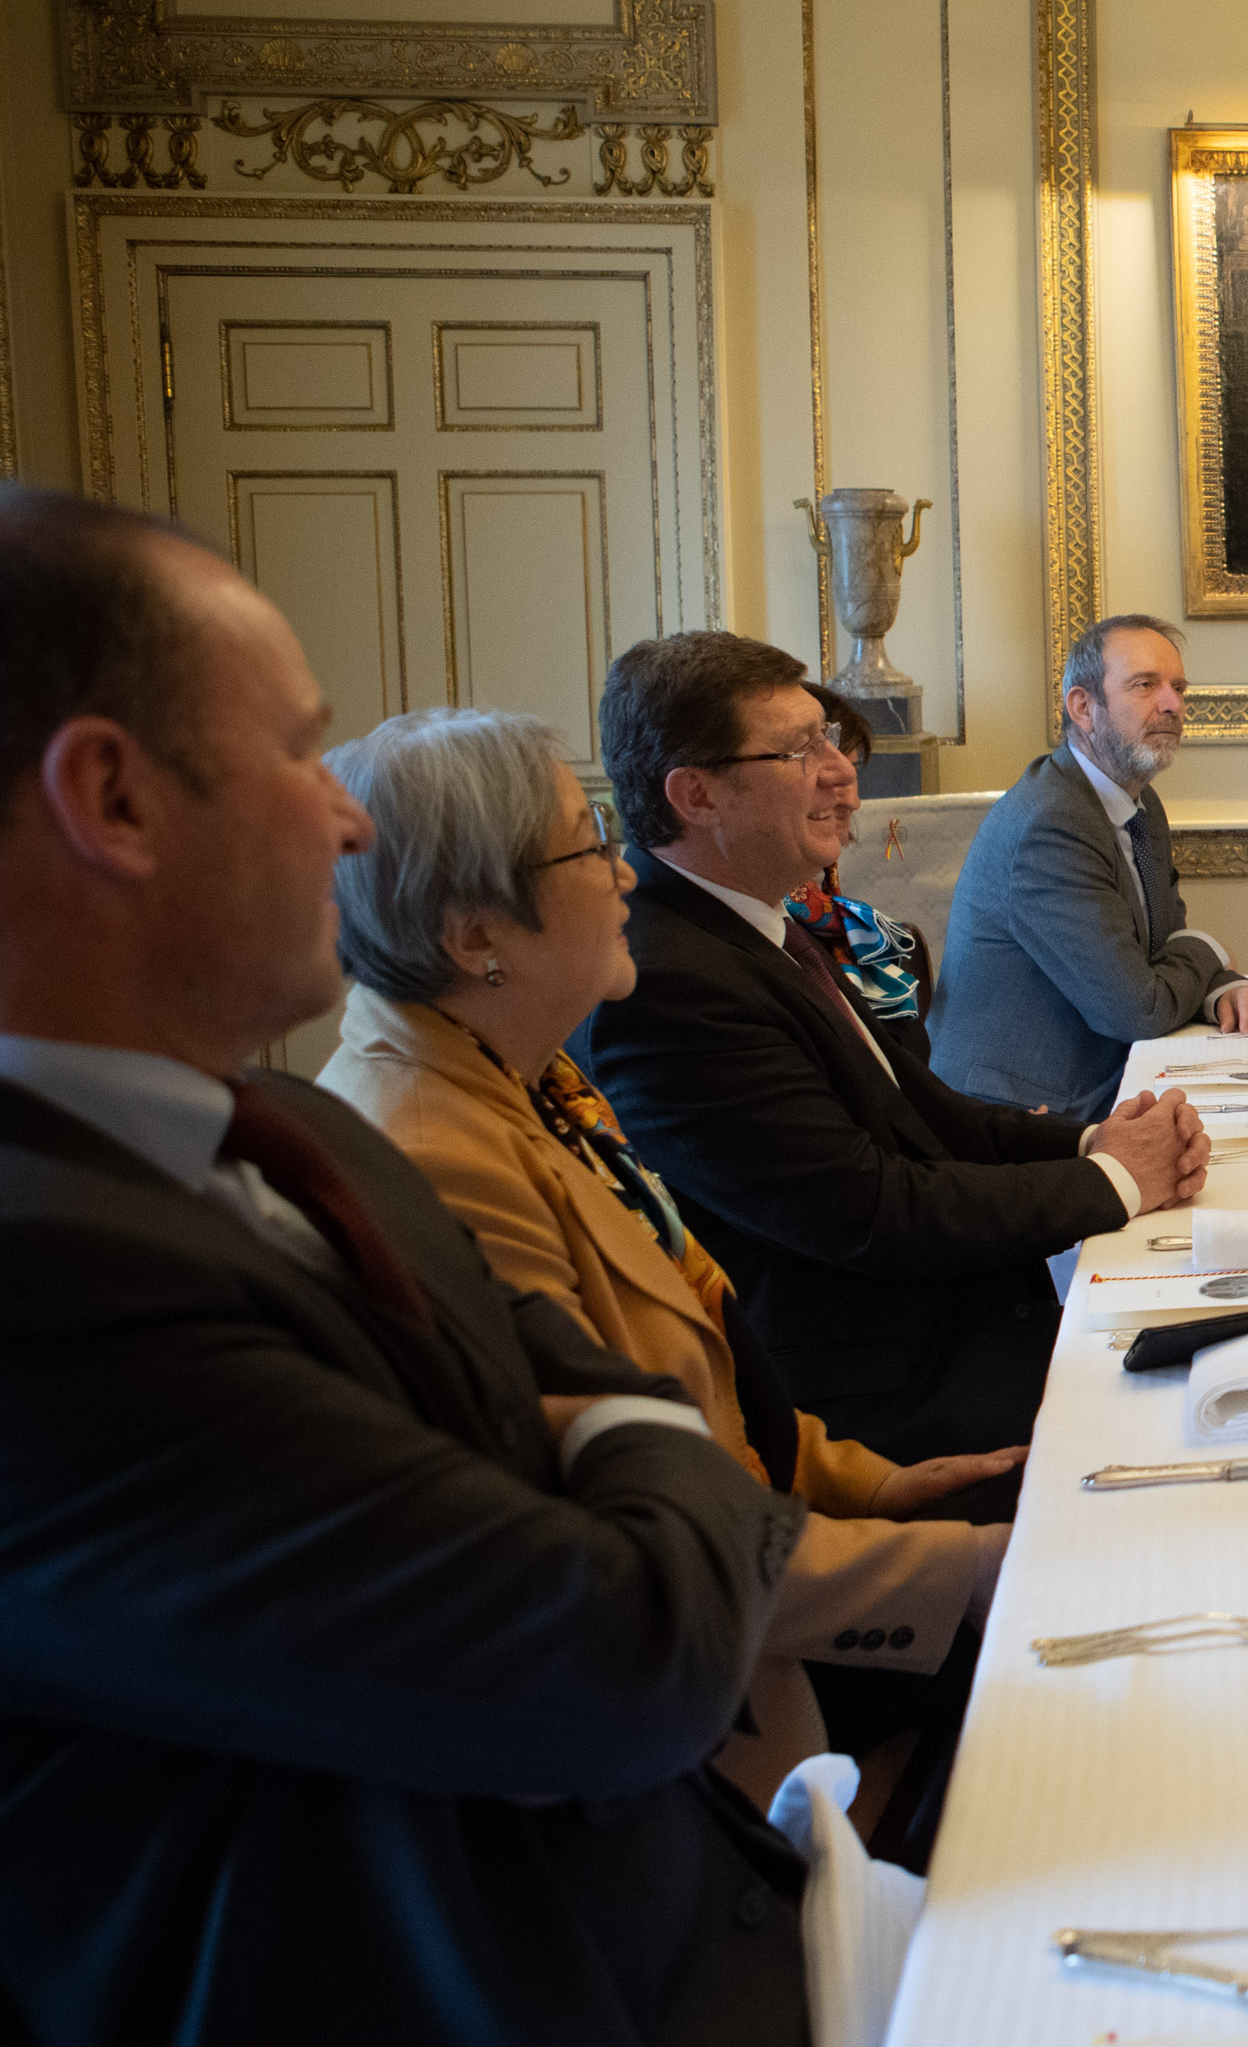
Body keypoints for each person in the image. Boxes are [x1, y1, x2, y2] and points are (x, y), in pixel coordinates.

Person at [0, 491, 809, 2043]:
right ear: (112, 797)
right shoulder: (41, 1287)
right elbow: (620, 1653)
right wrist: (612, 1438)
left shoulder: (299, 1128)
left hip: (691, 1906)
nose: (348, 816)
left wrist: (581, 1448)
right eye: (301, 754)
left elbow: (579, 1417)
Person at [316, 705, 1015, 1818]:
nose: (626, 876)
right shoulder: (432, 1158)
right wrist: (962, 1571)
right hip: (694, 1702)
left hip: (776, 1562)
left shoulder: (521, 1076)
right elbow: (610, 1521)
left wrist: (878, 1483)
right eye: (589, 845)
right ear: (472, 933)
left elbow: (712, 1373)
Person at [577, 630, 1210, 1468]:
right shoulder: (666, 984)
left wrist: (1094, 1141)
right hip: (880, 1411)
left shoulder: (758, 923)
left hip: (951, 1331)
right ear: (697, 795)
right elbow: (871, 1214)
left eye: (830, 741)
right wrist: (1119, 1179)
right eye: (800, 750)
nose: (842, 773)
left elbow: (923, 1109)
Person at [933, 615, 1248, 1122]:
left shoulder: (1140, 802)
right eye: (1145, 685)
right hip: (1022, 1119)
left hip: (1104, 1082)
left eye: (1178, 687)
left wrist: (1224, 986)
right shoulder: (1050, 823)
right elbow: (1136, 1010)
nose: (1172, 704)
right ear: (1083, 707)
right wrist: (1208, 948)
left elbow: (1162, 950)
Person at [796, 682, 935, 1069]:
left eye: (851, 770)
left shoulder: (835, 919)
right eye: (820, 769)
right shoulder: (781, 928)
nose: (851, 799)